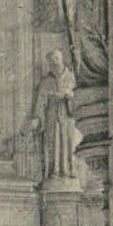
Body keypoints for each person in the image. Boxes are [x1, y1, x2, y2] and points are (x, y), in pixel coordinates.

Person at [29, 49, 80, 179]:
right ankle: (54, 171)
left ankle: (70, 169)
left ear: (62, 59)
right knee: (53, 142)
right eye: (52, 61)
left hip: (67, 115)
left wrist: (69, 96)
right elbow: (40, 102)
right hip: (51, 115)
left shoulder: (72, 78)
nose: (55, 63)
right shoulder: (45, 81)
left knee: (69, 142)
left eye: (57, 59)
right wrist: (37, 118)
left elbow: (78, 96)